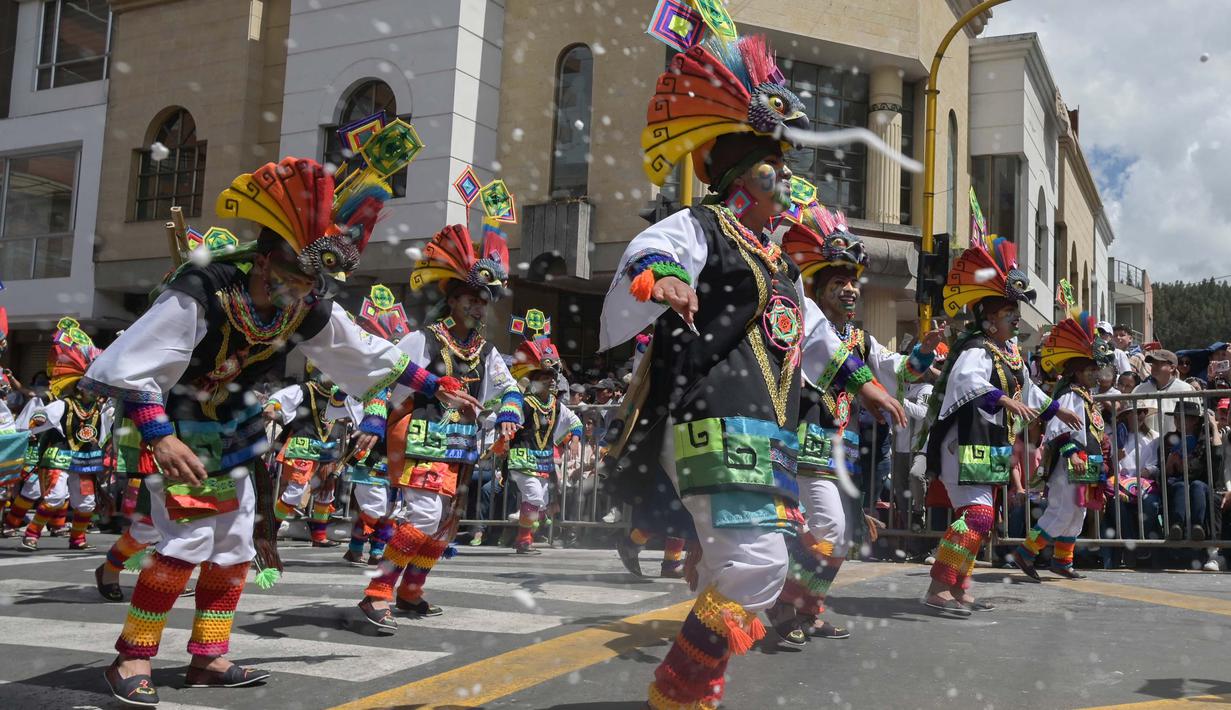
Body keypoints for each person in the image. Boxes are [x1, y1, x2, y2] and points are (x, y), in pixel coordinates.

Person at [82, 150, 480, 705]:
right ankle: (132, 655)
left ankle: (208, 657)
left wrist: (440, 387)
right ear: (267, 260)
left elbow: (365, 354)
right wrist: (160, 435)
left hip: (237, 433)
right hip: (183, 431)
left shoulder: (307, 306)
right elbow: (138, 365)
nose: (309, 288)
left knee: (234, 544)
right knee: (186, 541)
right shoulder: (207, 287)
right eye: (300, 272)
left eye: (318, 278)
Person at [599, 31, 904, 709]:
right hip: (711, 416)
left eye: (786, 166)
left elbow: (817, 340)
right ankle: (679, 688)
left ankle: (695, 687)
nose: (788, 179)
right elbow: (649, 254)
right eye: (774, 165)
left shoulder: (782, 266)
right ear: (742, 173)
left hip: (760, 433)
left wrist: (866, 385)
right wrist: (666, 281)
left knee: (735, 563)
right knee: (758, 565)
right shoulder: (700, 225)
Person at [767, 183, 940, 643]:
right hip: (799, 446)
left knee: (839, 538)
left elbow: (896, 368)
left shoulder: (860, 340)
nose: (848, 290)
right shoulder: (800, 327)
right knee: (821, 530)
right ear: (817, 291)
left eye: (851, 283)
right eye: (837, 283)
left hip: (840, 454)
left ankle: (806, 607)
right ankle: (786, 604)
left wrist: (920, 354)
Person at [356, 219, 522, 632]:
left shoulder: (487, 351)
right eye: (470, 298)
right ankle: (377, 593)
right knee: (425, 517)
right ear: (452, 299)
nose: (478, 308)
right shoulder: (422, 340)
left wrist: (506, 416)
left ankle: (411, 591)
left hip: (462, 444)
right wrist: (374, 422)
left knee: (445, 525)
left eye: (484, 302)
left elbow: (509, 389)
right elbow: (382, 379)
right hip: (422, 438)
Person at [919, 234, 1079, 616]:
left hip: (988, 444)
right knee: (978, 516)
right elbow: (965, 382)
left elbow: (1031, 390)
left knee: (974, 519)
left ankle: (957, 587)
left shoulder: (1008, 354)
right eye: (1011, 314)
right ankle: (937, 587)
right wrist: (1001, 398)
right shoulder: (975, 349)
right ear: (990, 318)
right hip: (964, 441)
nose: (1016, 319)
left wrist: (1057, 409)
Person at [1014, 315, 1114, 580]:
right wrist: (1073, 454)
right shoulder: (1069, 393)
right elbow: (1059, 431)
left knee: (1077, 512)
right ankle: (1025, 552)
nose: (1095, 373)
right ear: (1076, 371)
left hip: (1085, 460)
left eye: (1096, 369)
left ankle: (1062, 561)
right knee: (1061, 510)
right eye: (1090, 369)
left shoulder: (1086, 395)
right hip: (1070, 460)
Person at [14, 319, 110, 552]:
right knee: (55, 498)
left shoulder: (101, 409)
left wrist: (105, 456)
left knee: (86, 503)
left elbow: (104, 435)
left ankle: (77, 538)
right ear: (79, 386)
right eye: (90, 385)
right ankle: (31, 534)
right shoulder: (61, 406)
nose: (94, 389)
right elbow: (34, 425)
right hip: (58, 456)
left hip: (85, 460)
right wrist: (30, 435)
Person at [342, 284, 410, 565]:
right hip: (368, 452)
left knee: (392, 508)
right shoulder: (363, 379)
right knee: (373, 506)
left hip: (395, 454)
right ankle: (362, 544)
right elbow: (341, 402)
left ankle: (369, 549)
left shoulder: (406, 387)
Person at [504, 316, 582, 554]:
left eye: (550, 378)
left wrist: (575, 439)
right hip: (522, 456)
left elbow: (575, 422)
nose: (549, 382)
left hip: (544, 460)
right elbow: (506, 416)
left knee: (540, 502)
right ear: (533, 380)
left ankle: (524, 537)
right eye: (543, 378)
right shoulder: (523, 402)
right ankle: (526, 530)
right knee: (536, 498)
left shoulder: (556, 405)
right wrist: (506, 426)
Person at [265, 366, 347, 546]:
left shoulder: (339, 395)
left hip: (327, 447)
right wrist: (272, 407)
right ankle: (269, 532)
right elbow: (279, 398)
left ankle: (319, 536)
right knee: (295, 492)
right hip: (303, 445)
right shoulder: (304, 389)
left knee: (326, 491)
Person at [1162, 400, 1219, 541]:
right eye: (1175, 417)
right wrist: (1168, 466)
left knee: (1197, 486)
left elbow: (1214, 461)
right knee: (1181, 486)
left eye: (1182, 417)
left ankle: (1197, 527)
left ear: (1194, 420)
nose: (1177, 421)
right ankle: (1177, 526)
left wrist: (1215, 428)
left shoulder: (1205, 439)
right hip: (1176, 484)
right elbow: (1163, 472)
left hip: (1201, 484)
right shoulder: (1169, 439)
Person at [1132, 350, 1194, 434]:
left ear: (1172, 368)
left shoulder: (1186, 389)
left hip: (1176, 444)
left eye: (1158, 363)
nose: (1154, 366)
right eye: (1152, 363)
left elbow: (1194, 421)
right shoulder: (1139, 389)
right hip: (1145, 444)